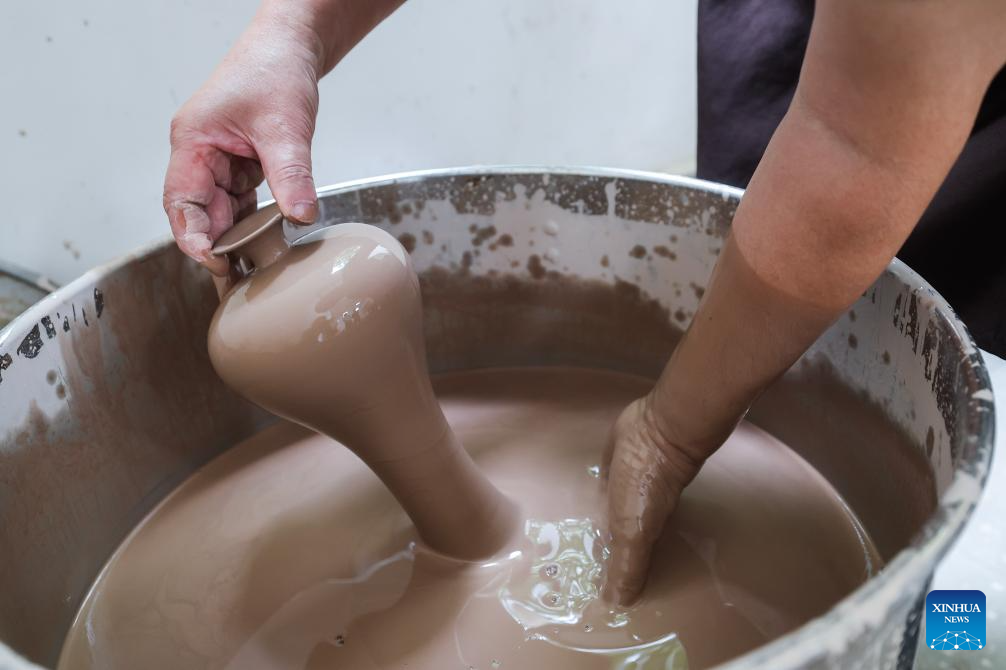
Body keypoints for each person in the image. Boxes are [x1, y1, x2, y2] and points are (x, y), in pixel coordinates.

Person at [163, 0, 1006, 605]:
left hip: (940, 117)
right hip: (825, 65)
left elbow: (855, 150)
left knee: (877, 261)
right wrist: (294, 31)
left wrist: (669, 433)